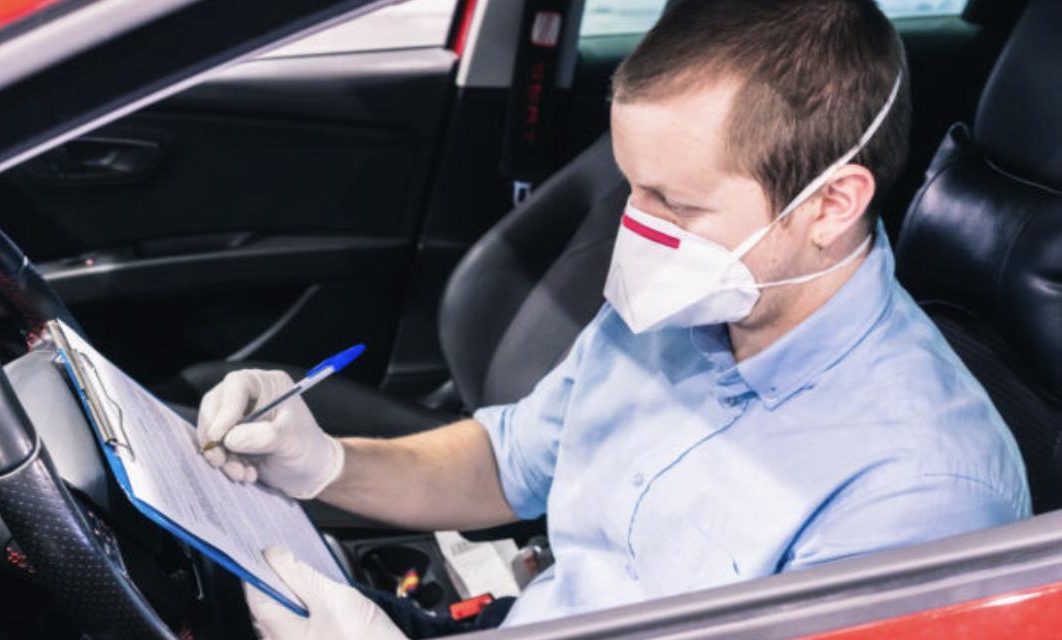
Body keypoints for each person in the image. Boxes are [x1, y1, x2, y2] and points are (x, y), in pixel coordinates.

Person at [196, 0, 1030, 637]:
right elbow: (509, 462)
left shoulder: (924, 493)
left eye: (676, 202)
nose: (635, 228)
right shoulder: (688, 303)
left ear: (831, 204)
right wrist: (324, 463)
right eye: (631, 184)